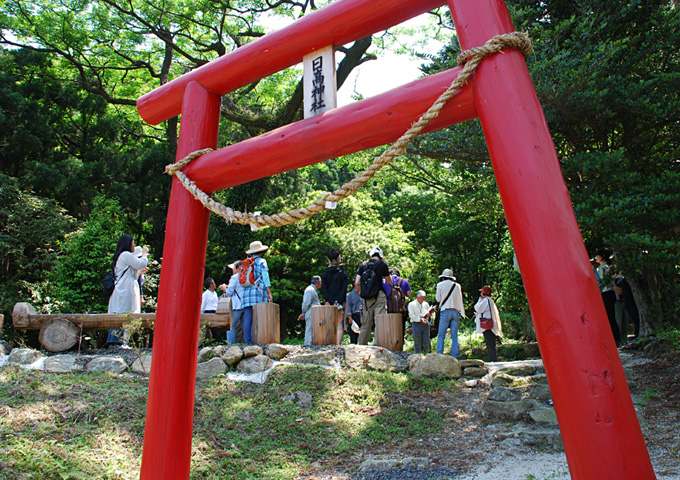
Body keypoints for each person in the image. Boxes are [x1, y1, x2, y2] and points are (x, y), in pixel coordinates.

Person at [107, 234, 149, 347]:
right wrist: (145, 254)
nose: (134, 245)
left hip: (127, 289)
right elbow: (141, 263)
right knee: (122, 314)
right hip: (125, 290)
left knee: (127, 315)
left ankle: (122, 342)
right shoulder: (125, 255)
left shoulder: (123, 256)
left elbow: (133, 274)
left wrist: (140, 272)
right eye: (132, 243)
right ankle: (116, 342)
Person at [355, 246, 392, 345]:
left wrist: (363, 291)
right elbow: (388, 281)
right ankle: (378, 345)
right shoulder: (383, 265)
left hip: (366, 297)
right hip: (379, 295)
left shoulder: (363, 265)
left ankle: (362, 345)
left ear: (371, 255)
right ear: (381, 256)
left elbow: (357, 282)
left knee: (366, 323)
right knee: (380, 321)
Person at [241, 241, 273, 344]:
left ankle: (247, 341)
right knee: (256, 317)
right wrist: (269, 292)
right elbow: (265, 277)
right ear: (261, 251)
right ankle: (254, 340)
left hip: (246, 293)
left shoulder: (247, 262)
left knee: (248, 318)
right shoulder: (261, 261)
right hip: (257, 292)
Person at [435, 268, 465, 358]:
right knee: (454, 335)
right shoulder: (457, 286)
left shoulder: (440, 285)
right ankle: (454, 355)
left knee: (441, 335)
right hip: (456, 311)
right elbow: (460, 299)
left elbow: (438, 299)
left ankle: (440, 354)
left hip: (445, 311)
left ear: (443, 277)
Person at [321, 249, 349, 344]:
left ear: (329, 261)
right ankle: (338, 345)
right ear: (338, 259)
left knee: (329, 323)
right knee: (340, 324)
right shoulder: (343, 274)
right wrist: (338, 301)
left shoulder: (324, 275)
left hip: (329, 302)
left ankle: (329, 343)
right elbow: (344, 290)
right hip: (341, 303)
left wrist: (332, 301)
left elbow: (325, 290)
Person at [595, 249, 621, 345]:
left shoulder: (604, 267)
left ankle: (615, 338)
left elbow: (604, 281)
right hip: (607, 293)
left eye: (597, 255)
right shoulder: (603, 267)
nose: (596, 257)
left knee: (610, 316)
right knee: (609, 316)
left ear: (602, 256)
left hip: (607, 292)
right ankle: (614, 338)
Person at [474, 286, 503, 362]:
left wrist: (480, 300)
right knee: (490, 343)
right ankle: (493, 359)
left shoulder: (486, 300)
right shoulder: (489, 300)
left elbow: (478, 308)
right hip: (489, 324)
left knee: (490, 344)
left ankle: (493, 359)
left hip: (487, 325)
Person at [384, 268, 412, 342]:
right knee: (401, 328)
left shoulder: (384, 281)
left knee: (390, 329)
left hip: (389, 308)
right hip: (401, 309)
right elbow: (409, 295)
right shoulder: (404, 281)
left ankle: (390, 346)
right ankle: (400, 346)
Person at [225, 260, 245, 344]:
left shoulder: (234, 277)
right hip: (244, 305)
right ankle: (247, 343)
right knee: (245, 326)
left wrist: (225, 288)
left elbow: (229, 292)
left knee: (231, 326)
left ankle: (230, 344)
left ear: (237, 268)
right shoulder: (246, 277)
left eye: (233, 268)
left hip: (236, 305)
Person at [201, 277, 224, 342]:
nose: (215, 284)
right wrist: (201, 314)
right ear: (211, 284)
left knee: (217, 328)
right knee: (211, 329)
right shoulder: (205, 294)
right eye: (214, 283)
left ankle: (218, 341)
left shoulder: (215, 293)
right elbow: (203, 304)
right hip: (208, 311)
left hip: (215, 311)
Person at [301, 275, 322, 345]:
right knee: (309, 329)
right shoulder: (310, 290)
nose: (321, 284)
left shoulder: (312, 290)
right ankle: (307, 345)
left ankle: (312, 344)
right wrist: (303, 313)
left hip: (314, 312)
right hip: (310, 312)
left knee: (313, 329)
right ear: (318, 282)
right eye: (320, 282)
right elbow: (306, 303)